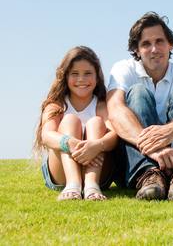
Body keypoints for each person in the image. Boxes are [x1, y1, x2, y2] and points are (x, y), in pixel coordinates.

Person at [107, 12, 173, 202]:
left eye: (160, 41)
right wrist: (153, 148)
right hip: (138, 162)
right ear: (137, 50)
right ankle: (149, 174)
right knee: (138, 92)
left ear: (170, 44)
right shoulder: (123, 69)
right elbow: (114, 111)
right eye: (146, 44)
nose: (154, 49)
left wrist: (172, 130)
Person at [33, 46, 118, 201]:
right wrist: (70, 143)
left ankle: (91, 185)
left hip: (98, 174)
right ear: (65, 77)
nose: (81, 79)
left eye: (88, 74)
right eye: (75, 74)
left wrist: (97, 145)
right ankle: (73, 184)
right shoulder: (56, 105)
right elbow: (46, 135)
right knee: (70, 120)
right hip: (61, 174)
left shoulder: (102, 105)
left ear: (97, 77)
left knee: (97, 123)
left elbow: (114, 135)